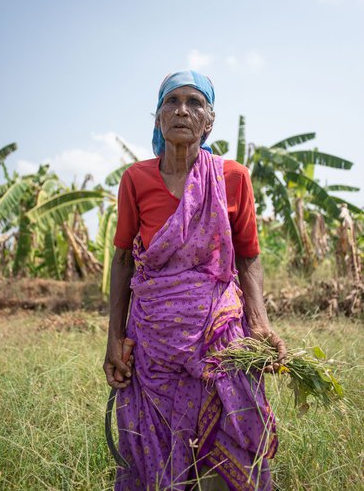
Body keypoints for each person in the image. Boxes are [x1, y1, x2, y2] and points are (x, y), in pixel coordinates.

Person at [103, 70, 286, 490]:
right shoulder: (136, 179)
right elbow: (122, 259)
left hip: (220, 341)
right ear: (157, 118)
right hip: (152, 349)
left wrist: (258, 321)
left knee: (230, 448)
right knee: (154, 450)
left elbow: (248, 254)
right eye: (172, 101)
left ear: (210, 121)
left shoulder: (233, 177)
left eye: (194, 102)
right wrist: (114, 337)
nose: (182, 109)